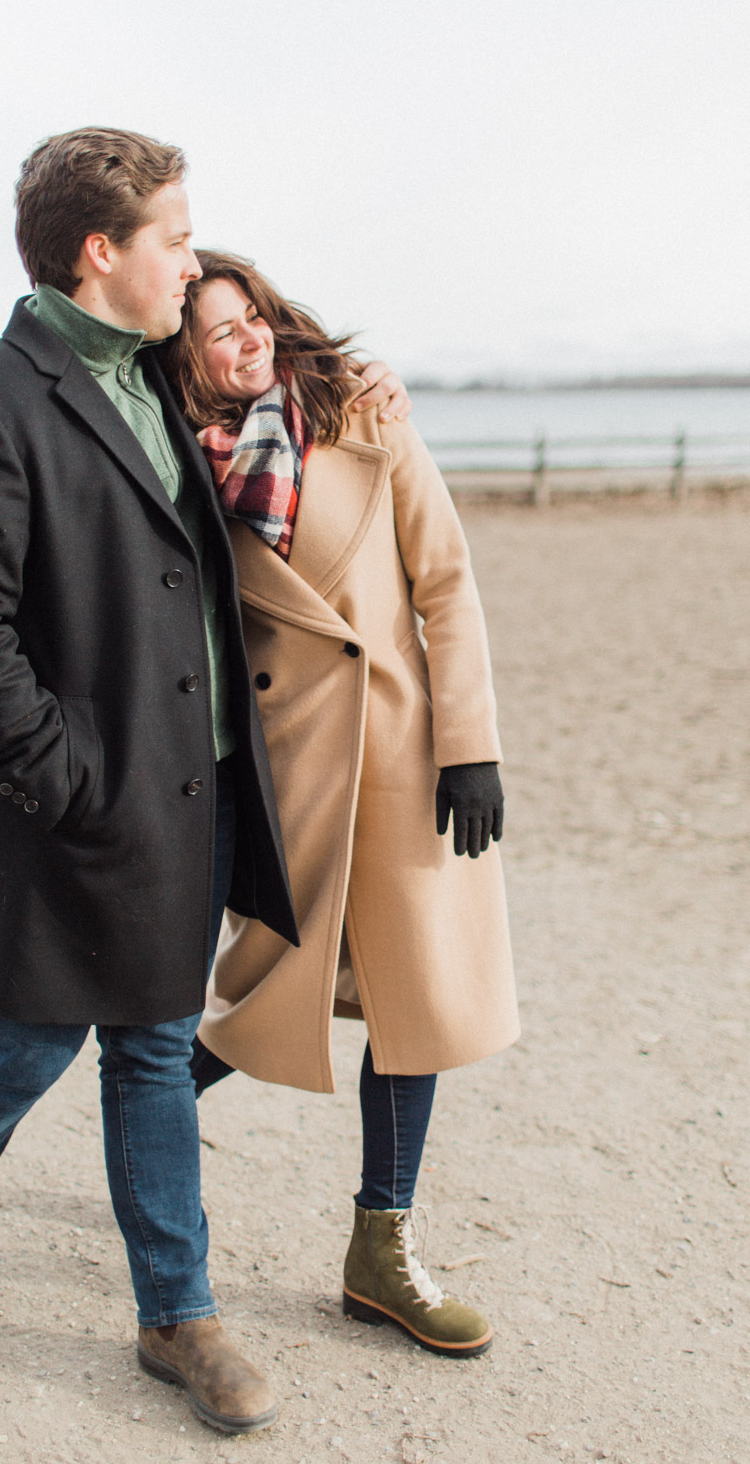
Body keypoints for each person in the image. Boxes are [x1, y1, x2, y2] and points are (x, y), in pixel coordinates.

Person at [0, 127, 409, 1437]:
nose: (194, 261)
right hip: (72, 811)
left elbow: (274, 429)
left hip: (190, 804)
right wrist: (72, 779)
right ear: (100, 249)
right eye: (175, 238)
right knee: (23, 1042)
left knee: (154, 1051)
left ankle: (177, 1315)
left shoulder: (165, 384)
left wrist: (363, 397)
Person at [169, 251, 519, 1359]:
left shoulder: (363, 419)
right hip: (283, 772)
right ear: (184, 358)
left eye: (253, 318)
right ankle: (146, 1146)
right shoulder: (175, 461)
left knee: (411, 997)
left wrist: (471, 744)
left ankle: (383, 1249)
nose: (248, 341)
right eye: (219, 333)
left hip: (405, 758)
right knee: (259, 990)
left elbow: (446, 583)